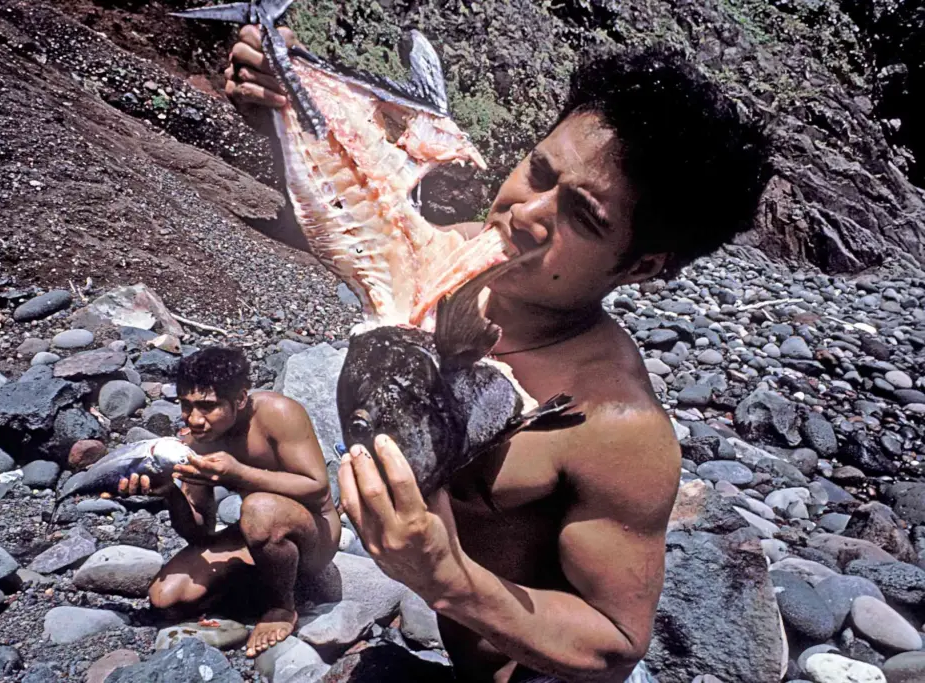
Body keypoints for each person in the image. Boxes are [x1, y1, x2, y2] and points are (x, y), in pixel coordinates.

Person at [225, 27, 771, 683]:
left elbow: (615, 645)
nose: (525, 212)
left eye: (583, 216)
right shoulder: (447, 260)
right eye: (539, 172)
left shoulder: (617, 426)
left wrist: (445, 578)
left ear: (642, 265)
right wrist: (279, 111)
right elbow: (337, 221)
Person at [117, 346, 341, 658]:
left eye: (208, 407)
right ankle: (260, 583)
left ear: (240, 399)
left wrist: (238, 474)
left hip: (314, 535)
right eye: (186, 405)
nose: (195, 419)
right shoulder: (197, 442)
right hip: (256, 531)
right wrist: (170, 493)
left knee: (259, 508)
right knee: (166, 596)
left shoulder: (278, 414)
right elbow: (200, 532)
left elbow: (317, 488)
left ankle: (281, 607)